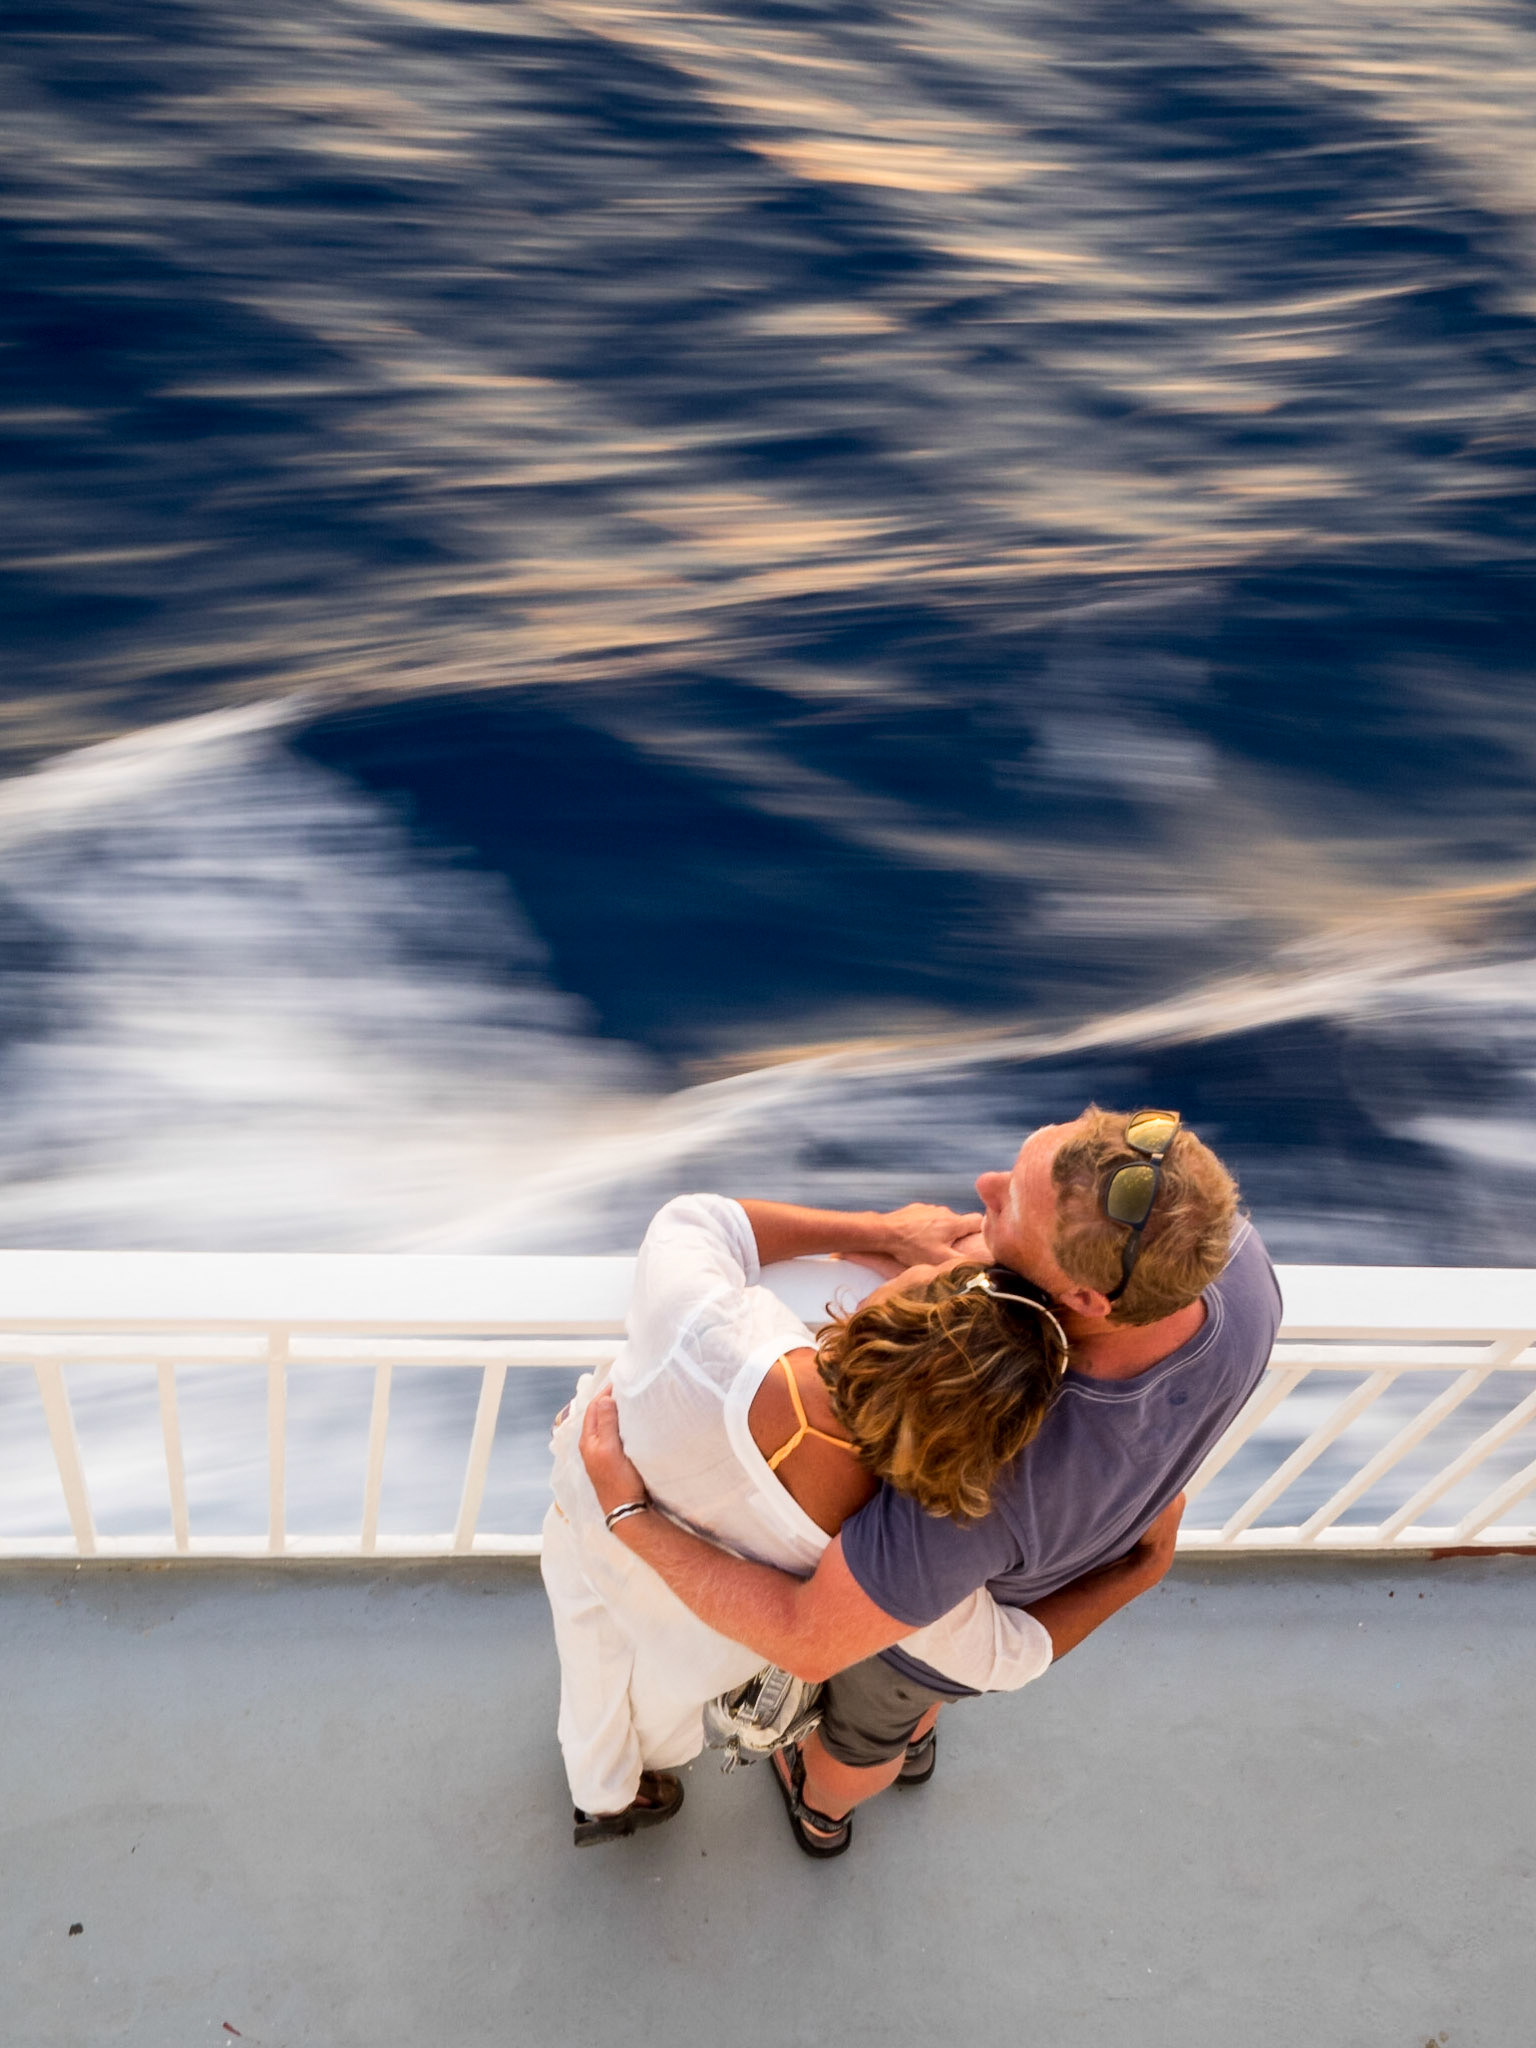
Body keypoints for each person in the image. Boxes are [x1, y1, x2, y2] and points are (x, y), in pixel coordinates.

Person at [581, 1106, 1281, 1856]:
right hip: (1053, 1565)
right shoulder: (1238, 1272)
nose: (978, 1189)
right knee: (920, 1710)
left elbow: (807, 1640)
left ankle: (822, 1812)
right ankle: (912, 1741)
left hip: (918, 1638)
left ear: (1083, 1300)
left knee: (863, 1740)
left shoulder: (980, 1473)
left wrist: (627, 1512)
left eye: (1006, 1202)